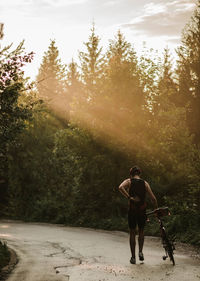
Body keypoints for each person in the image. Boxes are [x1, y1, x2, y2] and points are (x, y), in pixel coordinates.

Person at [119, 166, 158, 264]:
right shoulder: (145, 183)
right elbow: (153, 199)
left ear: (131, 174)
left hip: (132, 210)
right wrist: (156, 209)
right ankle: (140, 252)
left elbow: (120, 187)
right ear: (139, 174)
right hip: (142, 210)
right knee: (141, 231)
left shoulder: (129, 181)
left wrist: (129, 197)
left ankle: (133, 257)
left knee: (132, 232)